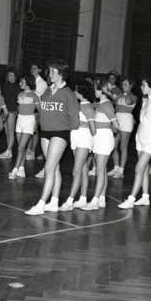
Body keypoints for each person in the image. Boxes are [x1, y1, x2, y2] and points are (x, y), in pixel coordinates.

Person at [25, 60, 79, 215]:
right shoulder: (48, 91)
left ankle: (41, 204)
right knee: (54, 168)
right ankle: (54, 202)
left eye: (53, 71)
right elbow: (42, 110)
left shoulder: (68, 94)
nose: (50, 74)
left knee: (48, 167)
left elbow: (75, 120)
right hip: (45, 132)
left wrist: (64, 127)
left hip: (60, 133)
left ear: (61, 74)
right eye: (49, 71)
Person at [118, 77, 151, 209]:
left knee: (138, 168)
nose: (141, 87)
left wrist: (150, 133)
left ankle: (131, 199)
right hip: (140, 137)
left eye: (143, 85)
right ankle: (145, 197)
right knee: (143, 169)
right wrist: (140, 135)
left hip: (150, 139)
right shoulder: (146, 101)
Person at [82, 78, 119, 211]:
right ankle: (102, 198)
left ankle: (95, 200)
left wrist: (107, 130)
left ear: (101, 90)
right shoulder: (100, 104)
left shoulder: (106, 105)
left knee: (100, 169)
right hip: (99, 138)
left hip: (104, 138)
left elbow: (116, 125)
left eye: (95, 89)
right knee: (101, 169)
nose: (94, 91)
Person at [59, 81, 97, 211]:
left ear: (81, 92)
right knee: (83, 169)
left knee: (76, 170)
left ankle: (69, 201)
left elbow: (93, 129)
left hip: (84, 139)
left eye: (76, 90)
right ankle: (83, 198)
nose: (74, 92)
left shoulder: (87, 107)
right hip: (76, 138)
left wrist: (79, 124)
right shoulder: (79, 105)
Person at [9, 74, 40, 179]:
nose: (19, 83)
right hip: (20, 120)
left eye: (22, 82)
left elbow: (39, 111)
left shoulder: (34, 96)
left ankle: (15, 169)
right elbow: (18, 108)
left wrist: (36, 124)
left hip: (29, 121)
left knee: (21, 147)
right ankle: (22, 169)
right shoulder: (20, 94)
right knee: (21, 147)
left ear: (28, 83)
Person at [108, 77, 137, 179]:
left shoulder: (133, 96)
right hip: (118, 119)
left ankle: (121, 170)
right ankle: (116, 167)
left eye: (126, 84)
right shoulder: (120, 95)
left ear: (131, 86)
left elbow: (128, 101)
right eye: (123, 84)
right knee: (113, 146)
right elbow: (115, 106)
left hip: (126, 121)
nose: (123, 86)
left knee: (123, 146)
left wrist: (127, 92)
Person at [26, 63, 48, 162]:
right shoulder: (29, 80)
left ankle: (32, 151)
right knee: (28, 129)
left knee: (34, 130)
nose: (32, 69)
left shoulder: (42, 83)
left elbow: (38, 96)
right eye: (31, 68)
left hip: (36, 108)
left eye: (35, 68)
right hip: (28, 107)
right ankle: (28, 149)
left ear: (39, 70)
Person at [0, 68, 21, 160]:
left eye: (12, 75)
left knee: (11, 132)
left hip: (12, 111)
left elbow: (18, 101)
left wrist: (16, 111)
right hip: (5, 110)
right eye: (9, 75)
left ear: (15, 77)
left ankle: (8, 150)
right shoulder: (5, 86)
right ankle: (9, 151)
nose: (10, 77)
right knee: (6, 132)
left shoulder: (17, 87)